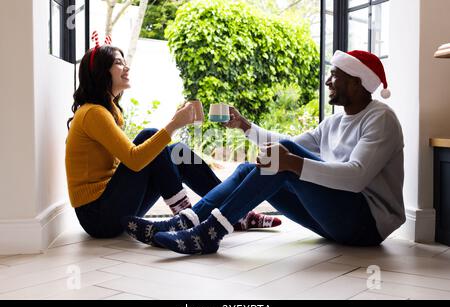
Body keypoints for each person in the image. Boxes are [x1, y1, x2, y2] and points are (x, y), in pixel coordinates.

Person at [132, 50, 406, 254]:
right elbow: (290, 144)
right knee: (250, 168)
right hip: (334, 223)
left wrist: (292, 162)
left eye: (335, 75)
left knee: (282, 157)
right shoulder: (335, 121)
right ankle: (184, 223)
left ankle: (207, 234)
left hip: (366, 224)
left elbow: (356, 178)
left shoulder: (380, 118)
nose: (327, 82)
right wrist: (245, 126)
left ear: (357, 82)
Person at [65, 38, 280, 240]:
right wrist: (175, 123)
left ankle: (234, 211)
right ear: (101, 72)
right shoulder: (93, 113)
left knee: (175, 151)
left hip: (108, 208)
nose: (127, 68)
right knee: (151, 135)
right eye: (119, 63)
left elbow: (138, 159)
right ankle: (187, 218)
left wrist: (173, 123)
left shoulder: (105, 111)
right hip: (98, 217)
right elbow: (134, 159)